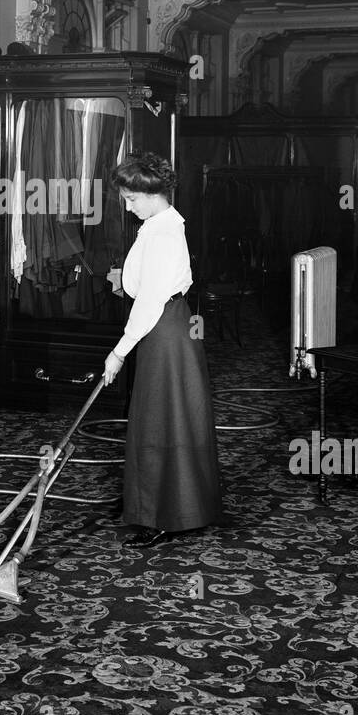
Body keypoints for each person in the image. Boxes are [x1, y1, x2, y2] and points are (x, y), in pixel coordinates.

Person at [102, 153, 222, 547]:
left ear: (152, 194)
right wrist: (127, 277)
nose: (127, 204)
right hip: (171, 326)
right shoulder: (159, 225)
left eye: (131, 198)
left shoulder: (164, 233)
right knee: (170, 418)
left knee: (159, 421)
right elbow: (152, 284)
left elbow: (150, 301)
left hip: (164, 328)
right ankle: (175, 507)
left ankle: (164, 516)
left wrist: (118, 352)